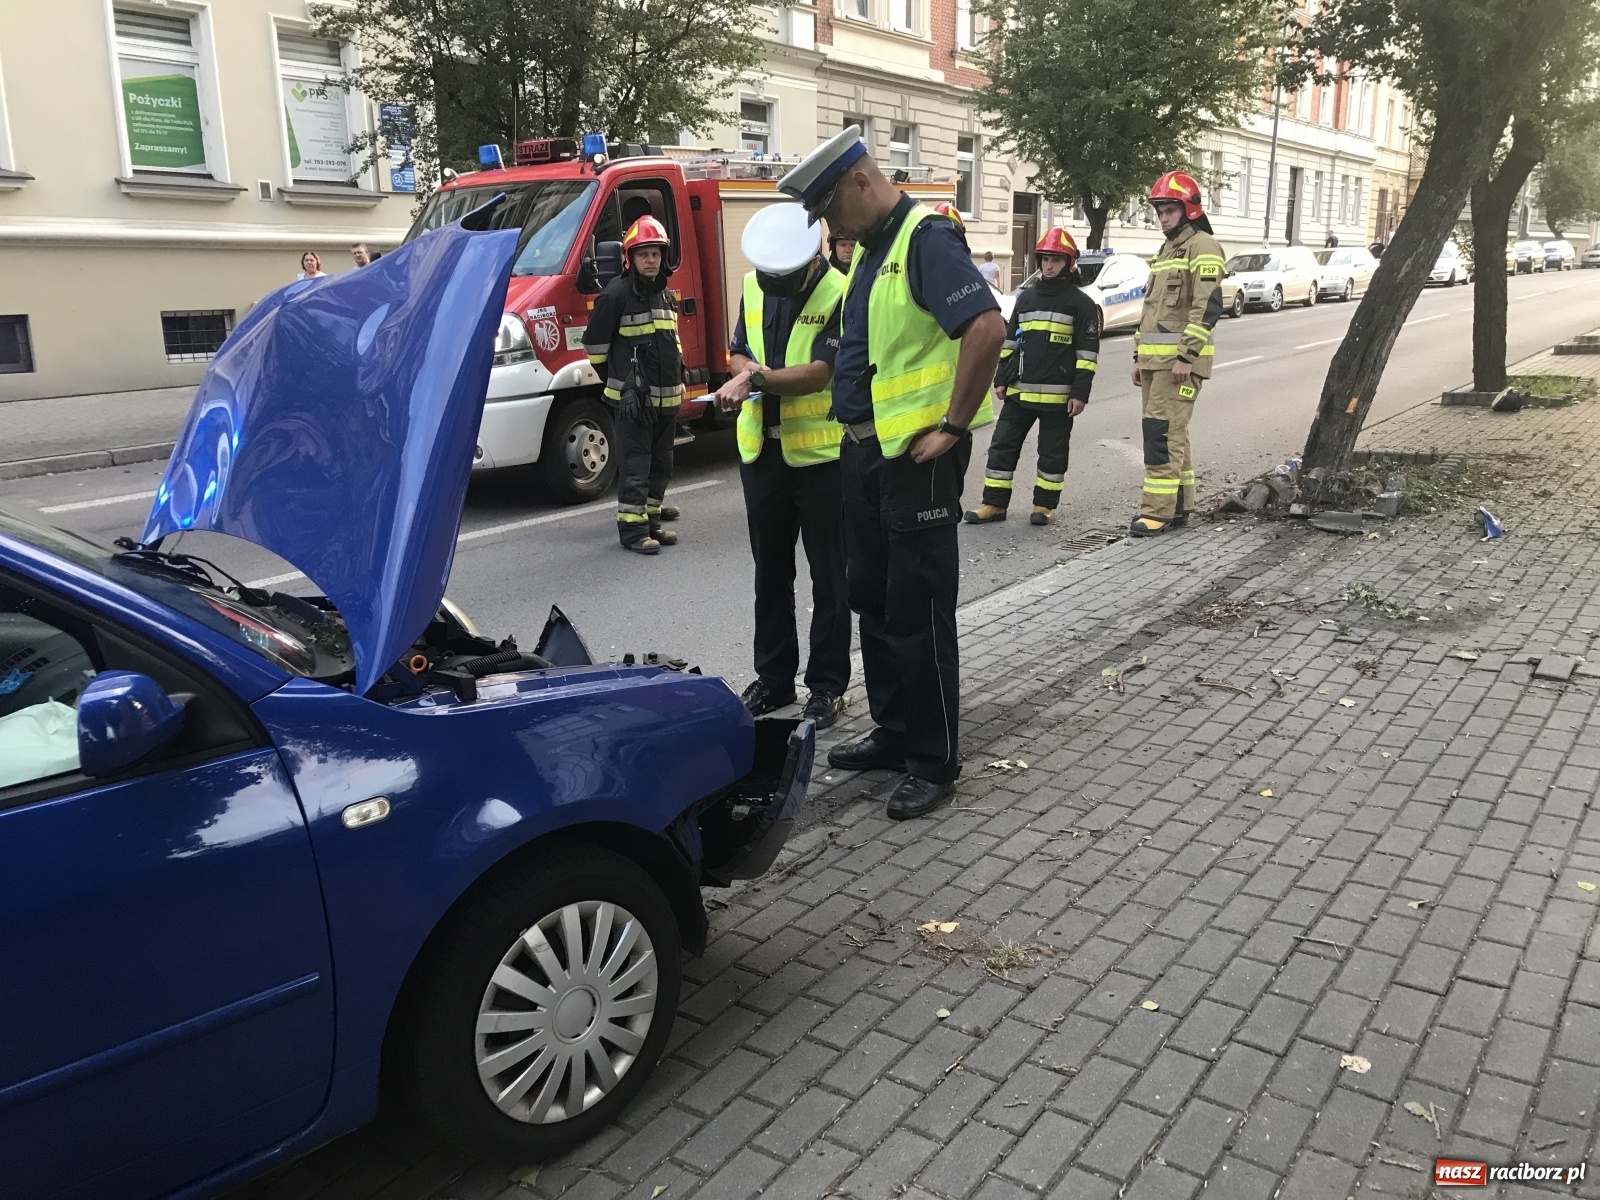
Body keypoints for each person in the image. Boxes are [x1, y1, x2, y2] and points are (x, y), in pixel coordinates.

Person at [778, 125, 1005, 821]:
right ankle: (894, 730)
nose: (828, 228)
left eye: (828, 210)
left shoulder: (925, 239)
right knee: (872, 599)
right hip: (866, 457)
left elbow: (987, 329)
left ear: (859, 182)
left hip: (915, 460)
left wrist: (954, 427)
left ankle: (933, 761)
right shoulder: (873, 253)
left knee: (919, 608)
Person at [711, 203, 849, 729]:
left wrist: (757, 380)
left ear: (811, 259)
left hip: (820, 459)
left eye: (782, 277)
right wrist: (744, 372)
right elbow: (738, 351)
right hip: (761, 455)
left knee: (829, 578)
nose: (772, 284)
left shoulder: (839, 291)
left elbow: (821, 372)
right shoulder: (752, 284)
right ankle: (774, 679)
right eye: (768, 275)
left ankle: (828, 686)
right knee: (771, 572)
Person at [964, 228, 1099, 528]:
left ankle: (1043, 506)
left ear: (1069, 263)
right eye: (1045, 259)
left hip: (1058, 398)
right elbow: (1011, 343)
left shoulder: (1081, 305)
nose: (1049, 266)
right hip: (1020, 394)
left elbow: (1087, 355)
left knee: (1051, 454)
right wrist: (1001, 378)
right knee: (1001, 447)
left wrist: (1080, 393)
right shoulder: (1026, 299)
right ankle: (993, 504)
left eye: (1055, 260)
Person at [1129, 170, 1225, 537]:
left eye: (1170, 209)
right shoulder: (1167, 250)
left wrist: (1187, 355)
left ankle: (1157, 512)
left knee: (1161, 434)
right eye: (1159, 210)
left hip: (1180, 364)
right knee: (1173, 434)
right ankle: (1181, 504)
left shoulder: (1203, 246)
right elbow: (1152, 311)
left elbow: (1208, 306)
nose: (1163, 217)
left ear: (1188, 210)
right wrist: (1139, 358)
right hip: (1157, 364)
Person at [583, 215, 685, 554]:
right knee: (636, 465)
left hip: (666, 400)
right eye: (644, 254)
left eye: (656, 253)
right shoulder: (615, 295)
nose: (651, 260)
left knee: (661, 465)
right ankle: (633, 533)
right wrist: (620, 383)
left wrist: (680, 379)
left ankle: (652, 522)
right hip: (633, 404)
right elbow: (595, 346)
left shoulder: (665, 296)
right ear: (630, 258)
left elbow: (674, 343)